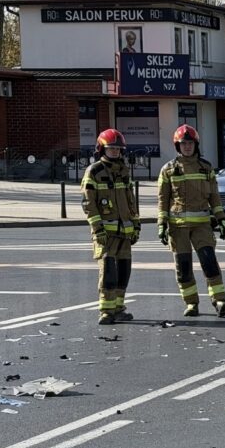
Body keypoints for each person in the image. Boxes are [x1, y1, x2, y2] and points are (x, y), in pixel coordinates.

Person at [157, 124, 225, 318]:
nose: (187, 147)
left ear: (196, 145)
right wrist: (161, 224)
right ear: (177, 146)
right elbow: (163, 199)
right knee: (184, 267)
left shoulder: (206, 168)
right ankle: (191, 304)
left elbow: (214, 197)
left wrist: (221, 220)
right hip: (177, 227)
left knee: (209, 262)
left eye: (190, 143)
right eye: (183, 144)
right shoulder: (168, 170)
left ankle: (219, 301)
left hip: (202, 226)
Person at [81, 129, 140, 324]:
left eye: (118, 149)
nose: (115, 152)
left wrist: (136, 224)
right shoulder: (94, 171)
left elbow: (131, 200)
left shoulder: (124, 171)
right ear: (102, 149)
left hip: (125, 232)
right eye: (111, 148)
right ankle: (106, 311)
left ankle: (118, 308)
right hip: (105, 233)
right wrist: (97, 228)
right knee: (108, 271)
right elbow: (89, 204)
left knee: (124, 270)